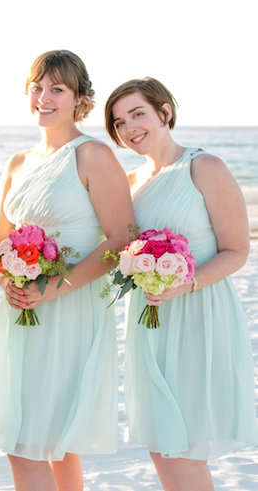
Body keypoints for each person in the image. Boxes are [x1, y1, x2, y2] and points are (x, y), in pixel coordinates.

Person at [0, 50, 134, 491]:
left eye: (57, 89)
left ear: (79, 98)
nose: (43, 97)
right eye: (37, 86)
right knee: (47, 443)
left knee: (33, 440)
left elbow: (122, 237)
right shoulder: (16, 163)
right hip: (21, 310)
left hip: (70, 306)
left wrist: (56, 286)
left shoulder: (91, 155)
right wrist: (7, 280)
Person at [105, 77, 258, 491]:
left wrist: (185, 284)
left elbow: (236, 251)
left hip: (198, 316)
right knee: (161, 444)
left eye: (138, 114)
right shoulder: (130, 184)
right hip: (148, 320)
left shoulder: (203, 167)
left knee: (184, 445)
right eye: (119, 122)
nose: (130, 127)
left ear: (164, 112)